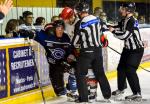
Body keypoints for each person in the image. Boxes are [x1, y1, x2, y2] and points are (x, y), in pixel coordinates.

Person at [73, 2, 111, 103]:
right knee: (100, 73)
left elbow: (75, 41)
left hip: (86, 52)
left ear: (79, 12)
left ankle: (84, 99)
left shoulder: (80, 23)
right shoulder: (96, 19)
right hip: (98, 51)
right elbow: (102, 35)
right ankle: (107, 96)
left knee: (80, 74)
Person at [109, 2, 144, 100]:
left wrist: (113, 31)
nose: (121, 10)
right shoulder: (126, 19)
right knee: (121, 68)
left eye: (123, 9)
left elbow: (125, 35)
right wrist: (105, 25)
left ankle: (137, 93)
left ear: (128, 10)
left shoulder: (132, 21)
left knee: (130, 70)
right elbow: (117, 26)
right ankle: (121, 88)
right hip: (127, 49)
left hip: (136, 50)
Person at [34, 20, 72, 96]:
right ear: (54, 29)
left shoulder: (67, 37)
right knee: (59, 91)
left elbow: (71, 52)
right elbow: (34, 34)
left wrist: (70, 60)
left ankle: (73, 89)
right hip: (54, 65)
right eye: (58, 28)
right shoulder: (47, 36)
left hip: (65, 62)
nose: (60, 30)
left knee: (77, 69)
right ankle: (62, 90)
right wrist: (27, 33)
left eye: (62, 28)